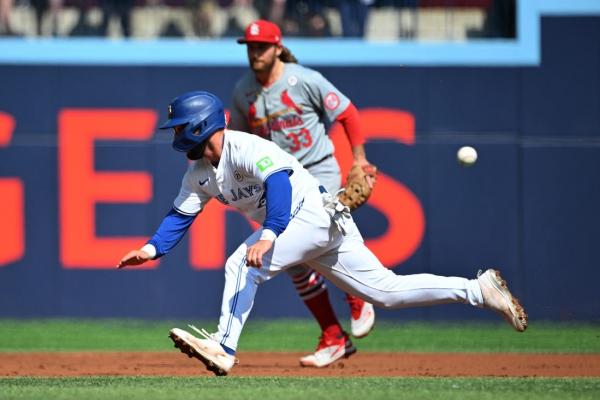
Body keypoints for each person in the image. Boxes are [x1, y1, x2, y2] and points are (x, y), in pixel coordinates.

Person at [117, 90, 528, 376]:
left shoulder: (244, 148)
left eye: (178, 126)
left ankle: (223, 348)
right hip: (316, 222)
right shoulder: (198, 174)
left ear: (199, 125)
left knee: (242, 263)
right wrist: (152, 248)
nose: (174, 134)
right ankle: (478, 290)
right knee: (385, 291)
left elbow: (279, 184)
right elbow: (179, 215)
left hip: (310, 213)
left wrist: (269, 235)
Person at [229, 19, 376, 367]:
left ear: (278, 47)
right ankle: (334, 336)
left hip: (319, 172)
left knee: (326, 241)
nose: (255, 52)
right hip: (281, 182)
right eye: (250, 46)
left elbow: (348, 113)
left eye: (262, 46)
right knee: (291, 260)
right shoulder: (242, 91)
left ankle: (357, 295)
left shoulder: (303, 79)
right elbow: (238, 142)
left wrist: (360, 159)